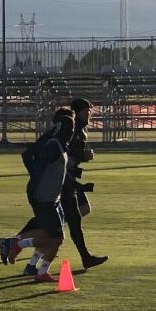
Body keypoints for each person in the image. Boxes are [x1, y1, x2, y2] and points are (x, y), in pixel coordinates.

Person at [0, 107, 75, 282]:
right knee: (55, 238)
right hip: (44, 197)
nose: (71, 133)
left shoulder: (59, 144)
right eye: (70, 129)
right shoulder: (53, 146)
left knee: (55, 237)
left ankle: (40, 271)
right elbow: (36, 165)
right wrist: (36, 183)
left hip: (52, 197)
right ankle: (15, 244)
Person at [61, 98, 107, 272]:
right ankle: (20, 241)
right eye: (87, 112)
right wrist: (82, 157)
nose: (90, 115)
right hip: (63, 179)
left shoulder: (79, 128)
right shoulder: (73, 129)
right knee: (71, 218)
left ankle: (26, 242)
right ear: (79, 112)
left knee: (79, 212)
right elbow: (66, 156)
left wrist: (81, 157)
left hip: (68, 177)